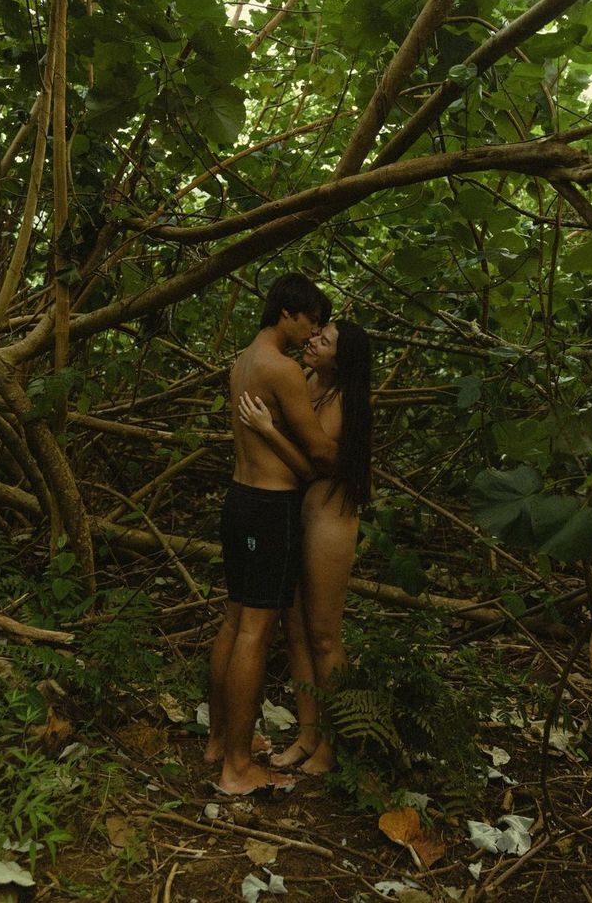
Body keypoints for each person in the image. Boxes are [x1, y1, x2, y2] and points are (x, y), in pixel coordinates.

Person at [204, 272, 338, 796]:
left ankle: (220, 741)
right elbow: (321, 453)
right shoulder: (280, 370)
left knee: (235, 620)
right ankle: (237, 766)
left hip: (240, 499)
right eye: (311, 321)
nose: (312, 334)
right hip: (270, 507)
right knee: (256, 631)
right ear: (288, 313)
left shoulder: (243, 360)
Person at [238, 319, 372, 775]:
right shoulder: (308, 379)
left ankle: (335, 744)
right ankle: (308, 734)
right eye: (315, 334)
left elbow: (319, 465)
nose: (313, 340)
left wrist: (268, 430)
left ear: (343, 357)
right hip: (296, 509)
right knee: (293, 627)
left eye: (325, 340)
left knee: (323, 633)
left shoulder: (345, 398)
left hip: (329, 517)